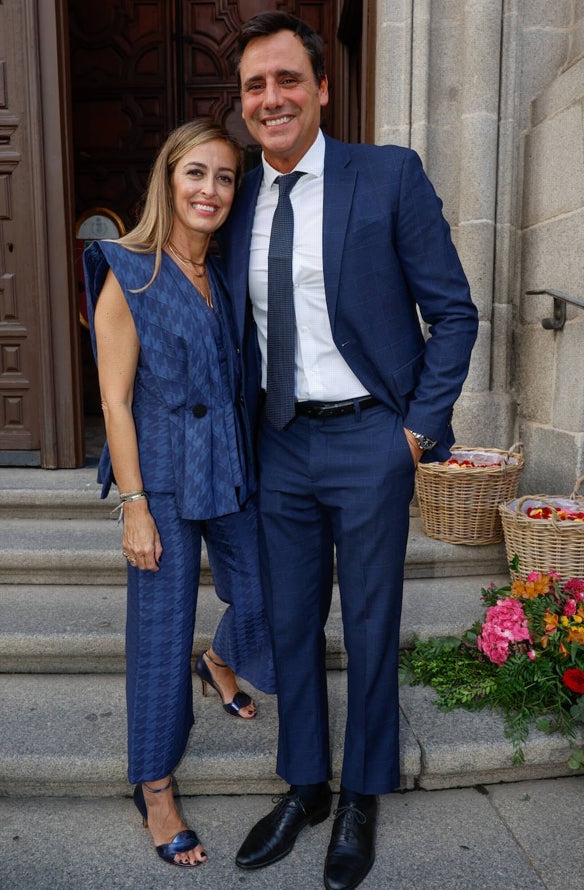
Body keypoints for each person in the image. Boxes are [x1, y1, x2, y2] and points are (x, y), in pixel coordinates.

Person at [217, 12, 479, 890]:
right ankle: (306, 787)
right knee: (291, 623)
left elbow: (454, 313)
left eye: (287, 79)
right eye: (255, 86)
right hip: (280, 443)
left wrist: (414, 432)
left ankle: (362, 792)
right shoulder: (236, 196)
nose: (271, 99)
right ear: (243, 103)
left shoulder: (388, 175)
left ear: (322, 87)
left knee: (368, 626)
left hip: (372, 436)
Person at [83, 118, 275, 869]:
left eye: (225, 177)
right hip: (159, 473)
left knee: (264, 591)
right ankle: (154, 787)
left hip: (227, 464)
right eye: (197, 173)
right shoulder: (127, 268)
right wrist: (134, 507)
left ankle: (221, 660)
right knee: (159, 637)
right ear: (169, 179)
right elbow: (116, 401)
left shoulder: (223, 276)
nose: (211, 190)